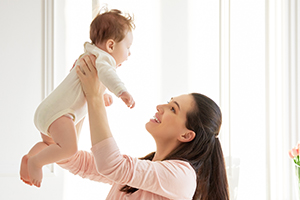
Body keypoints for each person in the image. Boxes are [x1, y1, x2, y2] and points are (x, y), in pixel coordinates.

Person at [56, 55, 230, 199]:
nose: (160, 107)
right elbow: (70, 159)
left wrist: (94, 96)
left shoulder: (182, 176)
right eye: (169, 102)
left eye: (172, 109)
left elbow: (110, 164)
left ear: (186, 135)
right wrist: (83, 97)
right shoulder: (140, 170)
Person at [20, 8, 135, 187]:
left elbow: (82, 86)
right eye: (128, 48)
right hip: (59, 116)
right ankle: (36, 162)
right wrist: (122, 92)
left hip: (50, 113)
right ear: (111, 45)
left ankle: (30, 158)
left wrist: (102, 95)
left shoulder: (90, 56)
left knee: (51, 144)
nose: (129, 54)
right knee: (70, 149)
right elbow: (108, 75)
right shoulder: (104, 59)